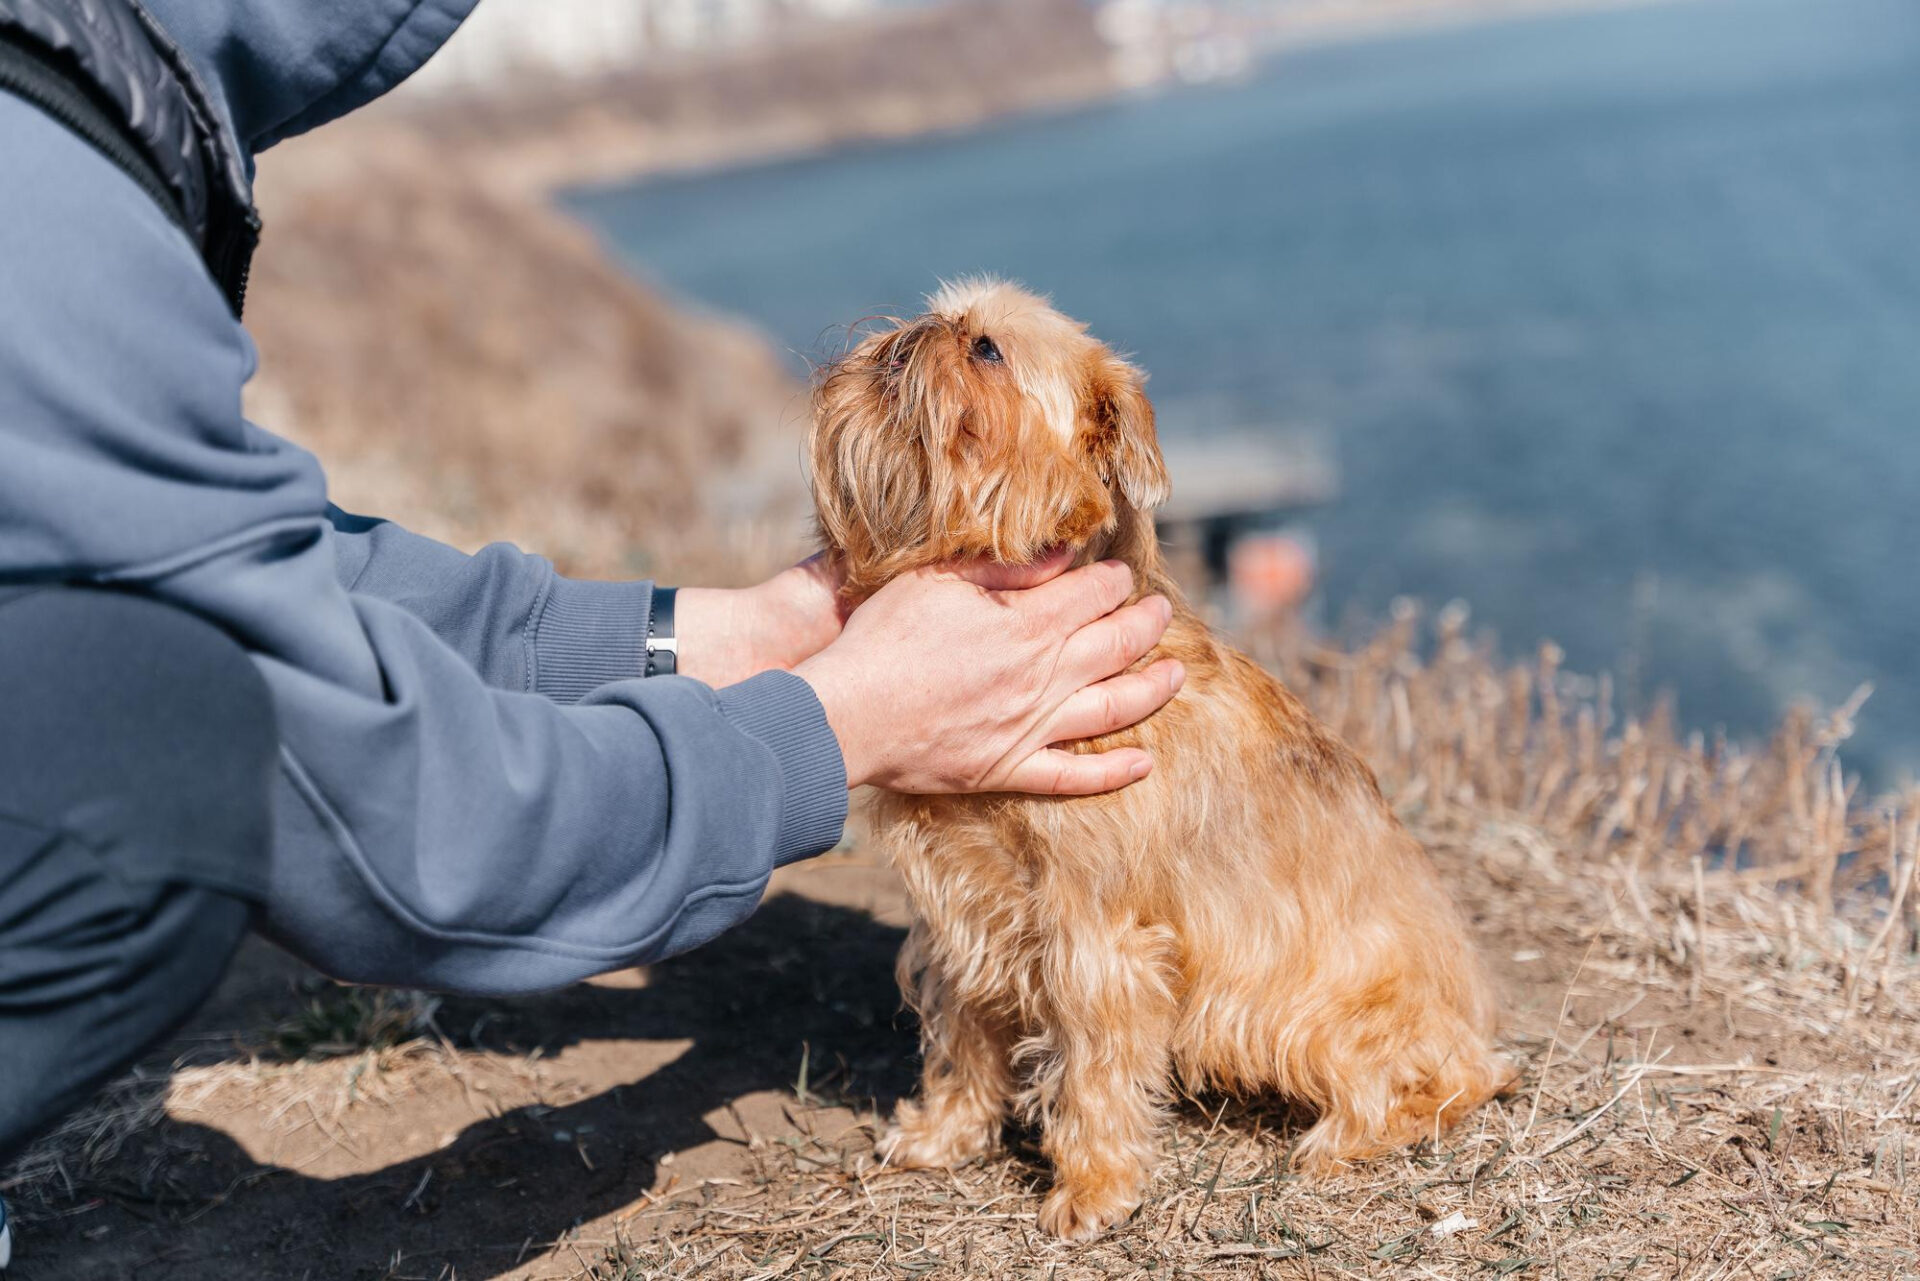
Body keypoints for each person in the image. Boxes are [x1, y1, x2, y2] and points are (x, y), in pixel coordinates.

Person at [0, 0, 1184, 1258]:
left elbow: (276, 590)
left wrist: (725, 633)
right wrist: (838, 728)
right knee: (151, 736)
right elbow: (395, 819)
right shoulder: (51, 216)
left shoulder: (59, 130)